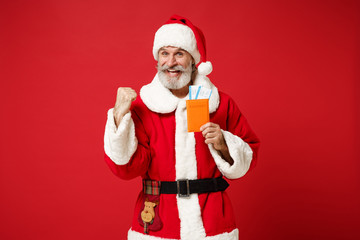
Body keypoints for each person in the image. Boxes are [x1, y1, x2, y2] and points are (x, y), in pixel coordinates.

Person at [104, 15, 260, 240]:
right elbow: (126, 168)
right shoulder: (142, 107)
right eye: (164, 53)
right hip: (158, 221)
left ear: (193, 60)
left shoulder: (221, 104)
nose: (171, 62)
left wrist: (224, 143)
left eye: (179, 53)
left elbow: (250, 152)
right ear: (157, 59)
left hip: (212, 223)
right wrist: (119, 117)